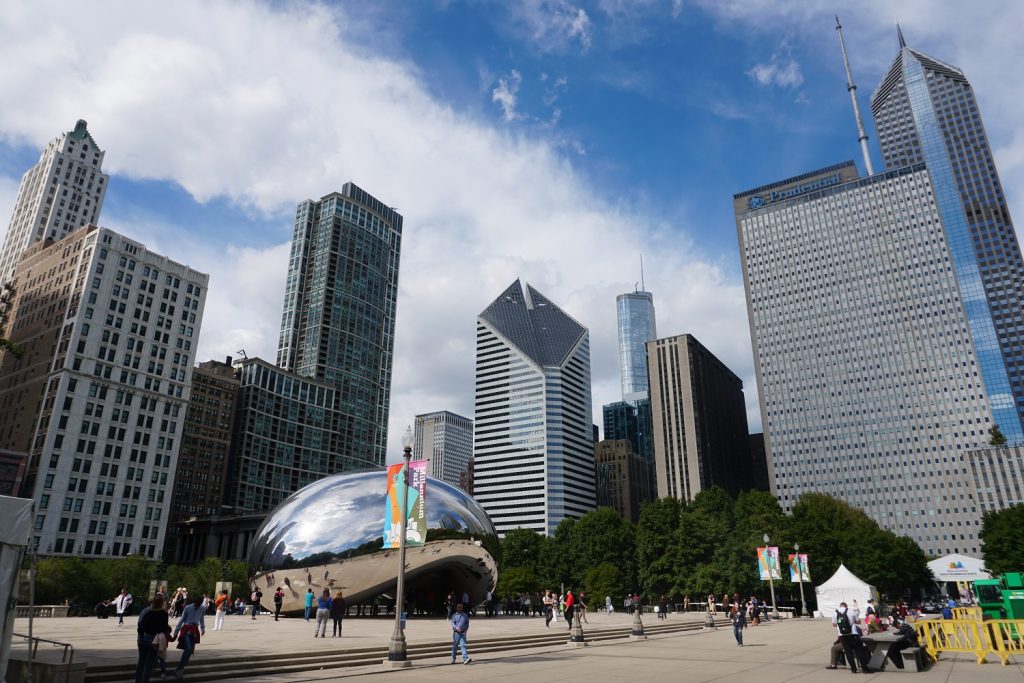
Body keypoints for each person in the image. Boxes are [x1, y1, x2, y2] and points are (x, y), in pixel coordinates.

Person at [135, 595, 171, 683]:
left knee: (141, 663)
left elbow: (140, 628)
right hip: (154, 640)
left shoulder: (147, 613)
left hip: (144, 639)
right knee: (149, 664)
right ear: (162, 603)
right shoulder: (164, 614)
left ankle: (137, 681)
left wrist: (141, 637)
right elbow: (164, 628)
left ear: (153, 602)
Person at [831, 601, 871, 674]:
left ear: (840, 606)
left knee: (848, 653)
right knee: (860, 651)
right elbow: (858, 622)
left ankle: (853, 669)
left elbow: (834, 624)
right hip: (853, 634)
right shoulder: (851, 611)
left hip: (842, 636)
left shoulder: (835, 613)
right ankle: (865, 669)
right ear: (846, 606)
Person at [172, 595, 206, 680]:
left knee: (189, 651)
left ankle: (179, 668)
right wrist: (176, 632)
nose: (197, 606)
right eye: (196, 604)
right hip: (187, 629)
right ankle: (179, 669)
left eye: (198, 604)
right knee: (187, 649)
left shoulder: (202, 608)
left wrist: (202, 628)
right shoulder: (188, 607)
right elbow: (182, 619)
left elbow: (201, 618)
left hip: (194, 630)